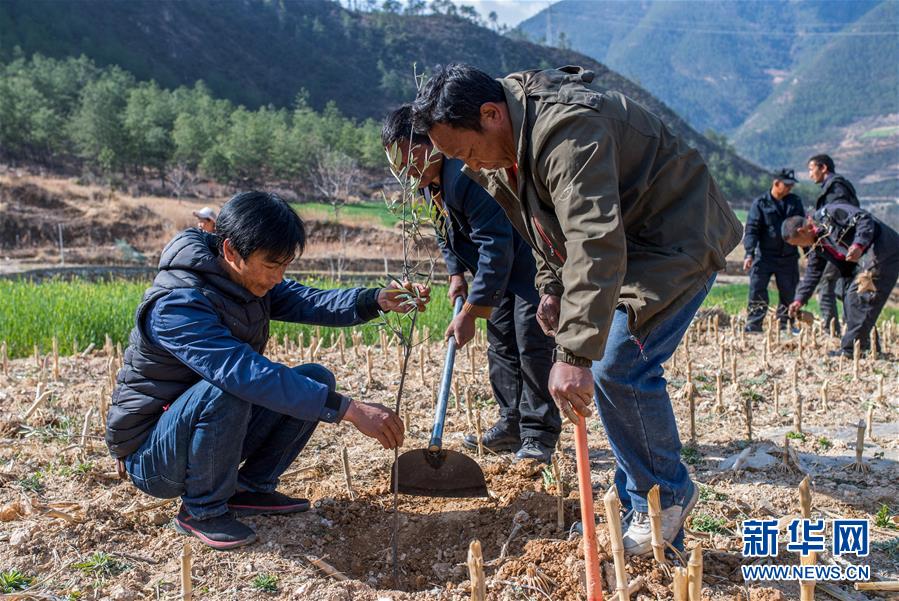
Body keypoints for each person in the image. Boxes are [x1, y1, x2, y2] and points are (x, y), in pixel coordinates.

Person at [412, 64, 742, 555]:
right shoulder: (505, 146)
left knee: (619, 365)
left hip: (674, 236)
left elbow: (593, 239)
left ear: (491, 114)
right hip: (627, 243)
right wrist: (551, 287)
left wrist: (572, 354)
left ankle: (665, 497)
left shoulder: (567, 131)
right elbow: (542, 225)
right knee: (609, 367)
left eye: (467, 153)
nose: (468, 166)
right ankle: (640, 506)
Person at [106, 191, 429, 550]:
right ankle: (201, 511)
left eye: (284, 266)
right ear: (231, 251)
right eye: (272, 266)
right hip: (153, 455)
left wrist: (376, 300)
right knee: (232, 385)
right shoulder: (178, 303)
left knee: (315, 379)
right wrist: (350, 410)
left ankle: (249, 490)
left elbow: (310, 300)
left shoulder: (244, 279)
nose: (278, 278)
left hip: (200, 432)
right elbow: (241, 373)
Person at [381, 105, 561, 463]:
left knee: (531, 344)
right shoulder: (426, 183)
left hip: (529, 266)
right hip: (493, 272)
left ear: (430, 143)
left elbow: (496, 243)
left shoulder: (464, 176)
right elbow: (444, 231)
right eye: (398, 164)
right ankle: (511, 423)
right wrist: (455, 275)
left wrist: (471, 312)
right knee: (501, 344)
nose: (406, 171)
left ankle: (538, 435)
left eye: (410, 158)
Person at [784, 202, 899, 358]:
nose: (801, 247)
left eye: (798, 244)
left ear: (802, 231)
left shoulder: (830, 214)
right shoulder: (817, 243)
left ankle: (851, 350)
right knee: (843, 292)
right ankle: (868, 346)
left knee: (858, 296)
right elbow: (813, 271)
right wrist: (799, 300)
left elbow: (863, 218)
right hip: (862, 263)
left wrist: (858, 244)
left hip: (883, 252)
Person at [742, 169, 805, 332]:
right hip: (764, 256)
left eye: (792, 185)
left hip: (788, 257)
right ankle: (754, 324)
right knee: (757, 290)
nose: (790, 188)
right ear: (776, 183)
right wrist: (749, 253)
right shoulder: (760, 204)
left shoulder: (795, 202)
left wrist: (808, 252)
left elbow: (802, 229)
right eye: (787, 185)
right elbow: (752, 229)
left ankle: (786, 325)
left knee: (788, 292)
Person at [807, 154, 860, 334]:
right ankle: (852, 328)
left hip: (841, 246)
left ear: (823, 168)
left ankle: (832, 331)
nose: (810, 174)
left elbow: (839, 217)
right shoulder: (836, 187)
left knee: (827, 284)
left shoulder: (836, 189)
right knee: (843, 288)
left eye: (811, 169)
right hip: (844, 246)